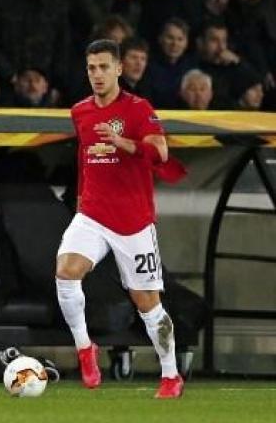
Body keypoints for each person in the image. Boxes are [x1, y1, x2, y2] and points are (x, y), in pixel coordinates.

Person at [56, 39, 185, 399]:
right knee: (66, 271)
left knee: (148, 304)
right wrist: (82, 199)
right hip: (93, 214)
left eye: (103, 67)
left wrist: (122, 142)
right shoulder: (80, 111)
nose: (96, 74)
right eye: (91, 68)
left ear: (118, 70)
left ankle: (171, 375)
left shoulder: (139, 109)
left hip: (133, 221)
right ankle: (85, 348)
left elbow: (161, 153)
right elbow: (85, 158)